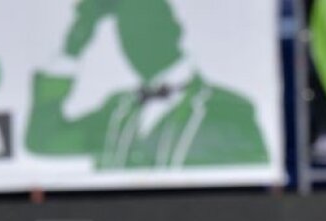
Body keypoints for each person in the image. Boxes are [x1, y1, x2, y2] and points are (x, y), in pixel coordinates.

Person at [25, 0, 267, 168]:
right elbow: (42, 140)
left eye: (147, 25)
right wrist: (74, 43)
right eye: (127, 33)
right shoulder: (117, 110)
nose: (136, 41)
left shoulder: (228, 110)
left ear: (174, 30)